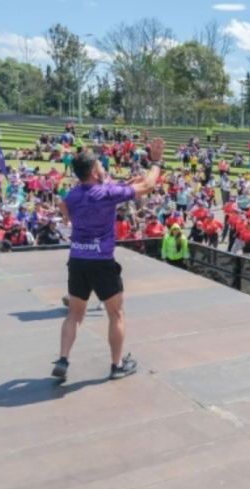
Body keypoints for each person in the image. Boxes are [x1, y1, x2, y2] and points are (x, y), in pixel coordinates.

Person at [51, 138, 165, 382]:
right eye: (102, 166)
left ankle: (63, 359)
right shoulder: (108, 193)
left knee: (74, 314)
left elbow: (69, 208)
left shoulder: (72, 195)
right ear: (94, 171)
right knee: (116, 314)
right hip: (101, 261)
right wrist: (156, 161)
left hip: (78, 259)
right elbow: (148, 186)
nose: (105, 168)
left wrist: (123, 186)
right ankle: (117, 365)